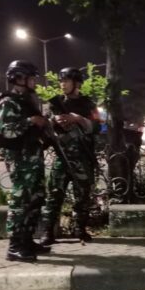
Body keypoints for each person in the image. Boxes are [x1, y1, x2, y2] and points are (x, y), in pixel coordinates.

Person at [0, 60, 49, 262]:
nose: (34, 82)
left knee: (36, 198)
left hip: (33, 157)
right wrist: (30, 121)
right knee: (20, 201)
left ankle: (27, 240)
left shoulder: (27, 101)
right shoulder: (8, 102)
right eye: (31, 78)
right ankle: (15, 246)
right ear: (19, 78)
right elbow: (7, 131)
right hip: (20, 160)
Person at [40, 67, 99, 245]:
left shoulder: (88, 104)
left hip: (82, 157)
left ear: (77, 83)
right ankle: (48, 232)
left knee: (83, 196)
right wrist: (52, 122)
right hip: (62, 157)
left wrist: (78, 119)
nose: (62, 84)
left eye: (66, 81)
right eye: (61, 81)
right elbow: (43, 128)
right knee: (54, 195)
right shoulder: (54, 104)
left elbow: (98, 127)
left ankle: (79, 229)